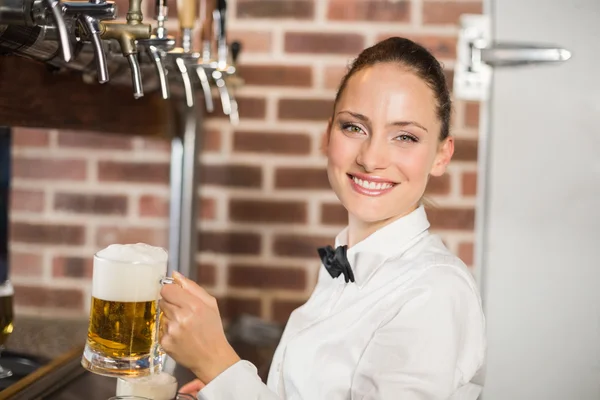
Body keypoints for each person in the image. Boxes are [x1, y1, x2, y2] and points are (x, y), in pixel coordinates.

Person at [159, 36, 486, 400]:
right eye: (354, 127)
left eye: (405, 136)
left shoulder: (434, 293)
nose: (372, 157)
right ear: (327, 135)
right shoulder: (349, 260)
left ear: (442, 155)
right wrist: (227, 389)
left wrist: (218, 365)